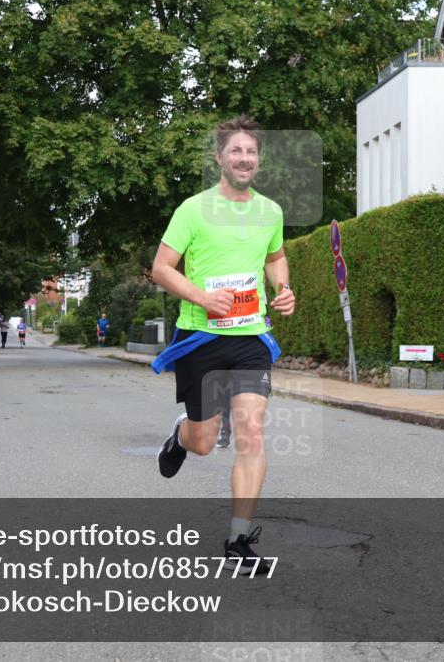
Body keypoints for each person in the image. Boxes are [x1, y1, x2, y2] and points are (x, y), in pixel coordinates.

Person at [151, 115, 295, 574]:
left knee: (251, 432)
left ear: (259, 160)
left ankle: (237, 541)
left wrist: (283, 288)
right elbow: (162, 268)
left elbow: (275, 257)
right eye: (236, 150)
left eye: (251, 151)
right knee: (204, 442)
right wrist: (202, 298)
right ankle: (182, 434)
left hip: (251, 337)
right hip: (201, 339)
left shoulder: (270, 212)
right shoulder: (193, 210)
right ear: (219, 157)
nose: (244, 158)